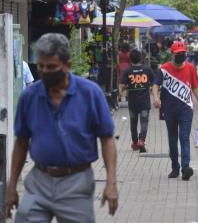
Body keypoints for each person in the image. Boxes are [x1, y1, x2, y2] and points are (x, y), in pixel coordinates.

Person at [6, 33, 118, 222]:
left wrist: (111, 182)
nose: (44, 71)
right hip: (39, 181)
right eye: (41, 66)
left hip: (77, 182)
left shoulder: (90, 94)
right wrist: (11, 187)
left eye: (51, 67)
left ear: (68, 65)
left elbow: (107, 139)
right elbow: (21, 142)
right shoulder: (30, 97)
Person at [152, 41, 198, 181]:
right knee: (172, 139)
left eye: (183, 54)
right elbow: (155, 85)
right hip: (169, 110)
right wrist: (156, 97)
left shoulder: (190, 68)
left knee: (184, 137)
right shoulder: (164, 69)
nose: (181, 56)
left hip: (185, 109)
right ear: (172, 54)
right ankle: (175, 167)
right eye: (178, 54)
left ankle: (185, 168)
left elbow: (196, 88)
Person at [121, 49, 154, 153]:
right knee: (144, 121)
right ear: (141, 58)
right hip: (144, 101)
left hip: (132, 102)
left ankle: (135, 143)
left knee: (133, 122)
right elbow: (154, 84)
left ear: (130, 59)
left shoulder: (127, 71)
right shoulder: (147, 70)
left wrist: (127, 88)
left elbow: (122, 86)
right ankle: (141, 140)